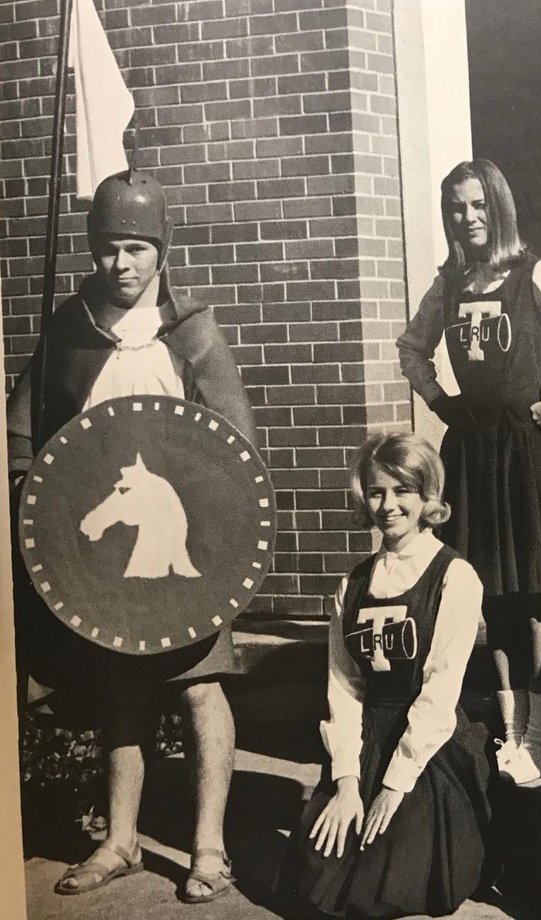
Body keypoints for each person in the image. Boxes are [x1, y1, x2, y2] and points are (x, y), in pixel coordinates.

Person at [6, 168, 256, 902]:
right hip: (102, 557)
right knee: (122, 692)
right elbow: (22, 432)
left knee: (200, 689)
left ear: (162, 252)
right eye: (110, 248)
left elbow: (233, 450)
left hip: (190, 553)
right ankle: (119, 841)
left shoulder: (193, 334)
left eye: (138, 248)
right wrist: (31, 495)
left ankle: (209, 849)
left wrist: (222, 546)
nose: (122, 265)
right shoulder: (68, 331)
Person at [397, 159, 541, 785]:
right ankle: (512, 730)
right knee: (490, 599)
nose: (466, 219)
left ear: (498, 207)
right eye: (455, 209)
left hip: (526, 451)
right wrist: (441, 403)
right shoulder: (447, 285)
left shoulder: (538, 274)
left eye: (477, 206)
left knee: (534, 599)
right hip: (473, 453)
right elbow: (410, 349)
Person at [276, 434, 490, 918]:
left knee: (389, 879)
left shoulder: (454, 576)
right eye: (377, 492)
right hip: (368, 738)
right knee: (315, 875)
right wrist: (347, 782)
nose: (389, 505)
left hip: (427, 749)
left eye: (403, 491)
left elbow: (439, 691)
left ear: (428, 497)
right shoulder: (352, 583)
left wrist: (393, 787)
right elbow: (344, 687)